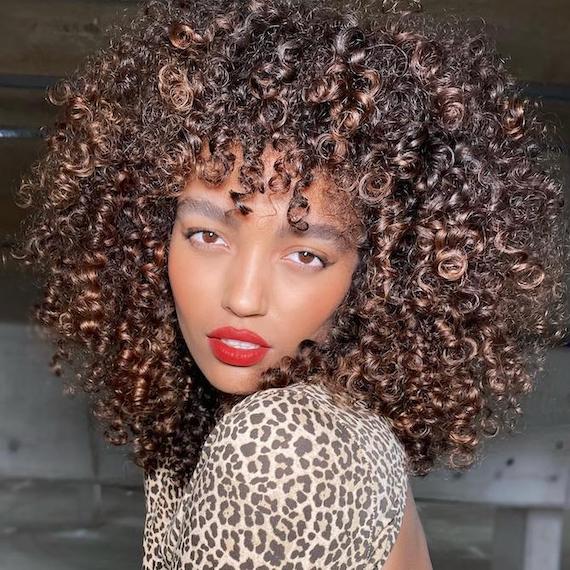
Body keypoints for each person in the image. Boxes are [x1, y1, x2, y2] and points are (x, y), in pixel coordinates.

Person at [11, 0, 569, 567]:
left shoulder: (281, 448)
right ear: (148, 234)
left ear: (380, 275)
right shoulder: (219, 423)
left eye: (305, 254)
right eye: (208, 236)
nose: (243, 298)